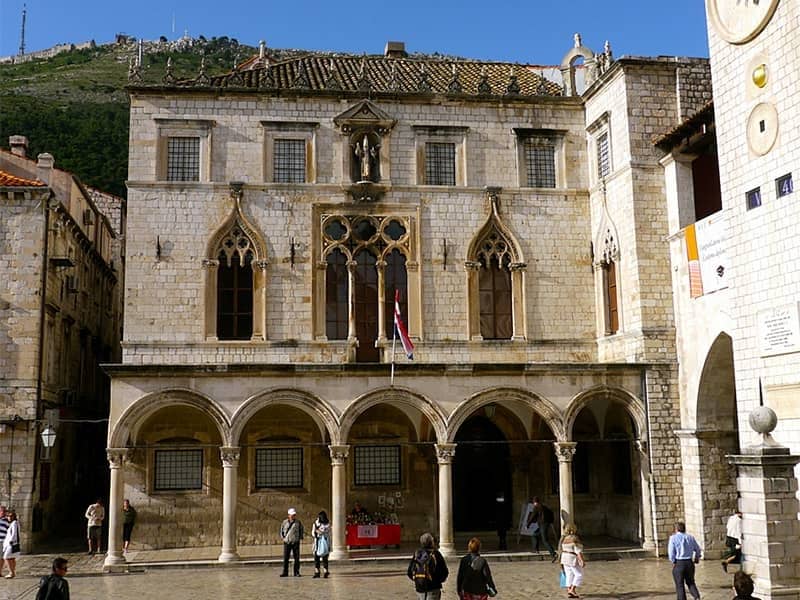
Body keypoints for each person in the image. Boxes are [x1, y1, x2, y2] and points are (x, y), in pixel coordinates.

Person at [407, 531, 448, 600]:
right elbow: (444, 571)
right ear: (431, 542)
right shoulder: (436, 554)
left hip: (420, 588)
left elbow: (409, 572)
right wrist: (438, 581)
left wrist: (419, 581)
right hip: (433, 587)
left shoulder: (417, 554)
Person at [668, 521, 702, 600]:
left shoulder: (673, 538)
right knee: (691, 582)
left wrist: (673, 561)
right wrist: (697, 558)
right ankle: (697, 597)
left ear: (676, 529)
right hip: (689, 562)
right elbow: (698, 549)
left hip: (679, 562)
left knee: (679, 585)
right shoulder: (690, 537)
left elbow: (671, 553)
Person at [558, 523, 585, 599]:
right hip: (571, 558)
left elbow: (560, 548)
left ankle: (569, 589)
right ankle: (572, 589)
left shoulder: (564, 538)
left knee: (569, 574)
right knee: (579, 574)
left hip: (564, 557)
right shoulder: (574, 538)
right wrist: (582, 560)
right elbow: (578, 550)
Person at [527, 496, 557, 561]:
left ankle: (553, 554)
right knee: (534, 535)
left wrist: (528, 524)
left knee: (545, 540)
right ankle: (536, 549)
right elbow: (551, 513)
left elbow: (532, 516)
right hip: (544, 525)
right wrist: (551, 521)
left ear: (535, 502)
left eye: (534, 502)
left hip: (543, 525)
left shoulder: (536, 507)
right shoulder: (544, 507)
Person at [280, 507, 304, 577]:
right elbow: (281, 530)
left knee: (296, 558)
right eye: (292, 515)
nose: (293, 516)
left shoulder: (298, 522)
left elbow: (301, 530)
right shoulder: (284, 522)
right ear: (289, 515)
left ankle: (296, 572)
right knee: (286, 558)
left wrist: (299, 538)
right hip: (287, 542)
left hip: (295, 542)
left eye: (294, 515)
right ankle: (285, 572)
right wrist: (283, 538)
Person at [312, 510, 331, 579]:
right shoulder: (328, 524)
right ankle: (325, 571)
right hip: (326, 542)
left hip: (318, 542)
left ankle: (317, 572)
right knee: (325, 558)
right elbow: (328, 532)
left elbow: (313, 533)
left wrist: (318, 532)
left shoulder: (316, 523)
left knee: (317, 558)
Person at [2, 509, 20, 578]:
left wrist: (11, 541)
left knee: (6, 557)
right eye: (8, 516)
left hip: (11, 544)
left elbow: (14, 533)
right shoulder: (13, 523)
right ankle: (13, 572)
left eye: (10, 516)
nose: (8, 518)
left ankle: (11, 572)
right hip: (11, 544)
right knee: (12, 558)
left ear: (13, 517)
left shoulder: (14, 523)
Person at [0, 505, 8, 577]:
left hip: (3, 540)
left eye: (5, 511)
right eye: (2, 511)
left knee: (1, 557)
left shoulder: (7, 520)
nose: (4, 513)